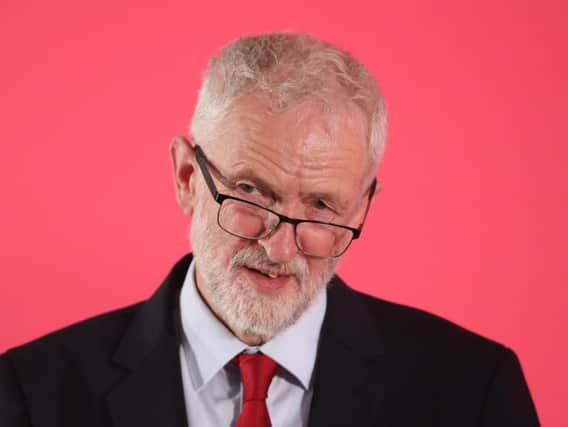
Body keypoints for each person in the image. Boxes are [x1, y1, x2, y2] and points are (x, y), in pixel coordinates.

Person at [0, 32, 539, 427]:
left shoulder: (474, 390)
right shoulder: (30, 392)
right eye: (250, 192)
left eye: (323, 206)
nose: (279, 249)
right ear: (187, 177)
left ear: (361, 211)